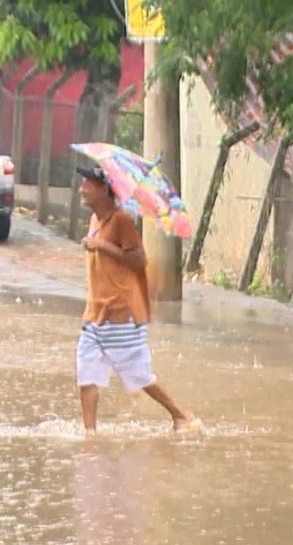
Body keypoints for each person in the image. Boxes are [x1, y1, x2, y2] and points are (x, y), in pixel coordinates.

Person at [74, 165, 202, 435]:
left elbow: (138, 259)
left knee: (139, 376)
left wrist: (104, 247)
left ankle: (181, 415)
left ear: (104, 190)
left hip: (121, 315)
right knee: (86, 375)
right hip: (94, 314)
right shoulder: (96, 221)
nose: (82, 189)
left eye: (88, 184)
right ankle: (90, 434)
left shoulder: (121, 220)